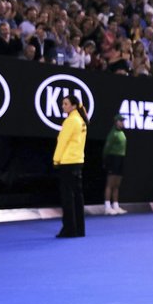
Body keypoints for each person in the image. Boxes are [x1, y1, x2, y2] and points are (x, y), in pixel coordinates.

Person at [53, 96, 88, 238]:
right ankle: (79, 229)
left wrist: (56, 159)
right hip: (78, 160)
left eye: (66, 104)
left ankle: (69, 229)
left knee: (68, 197)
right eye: (63, 104)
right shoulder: (81, 121)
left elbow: (62, 141)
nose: (63, 106)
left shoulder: (70, 121)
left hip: (67, 162)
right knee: (78, 197)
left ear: (73, 106)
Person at [103, 114, 128, 215]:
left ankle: (116, 205)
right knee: (110, 184)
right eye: (120, 121)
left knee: (117, 184)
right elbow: (106, 149)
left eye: (123, 121)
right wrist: (105, 160)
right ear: (116, 122)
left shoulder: (121, 133)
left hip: (120, 159)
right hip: (113, 159)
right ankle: (107, 207)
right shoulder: (113, 134)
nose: (122, 122)